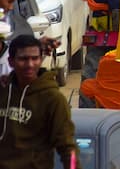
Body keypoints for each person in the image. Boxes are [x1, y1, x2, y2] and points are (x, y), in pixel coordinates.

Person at [0, 35, 79, 169]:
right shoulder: (3, 90)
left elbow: (68, 148)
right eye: (23, 59)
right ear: (11, 61)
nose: (30, 65)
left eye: (35, 58)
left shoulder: (53, 99)